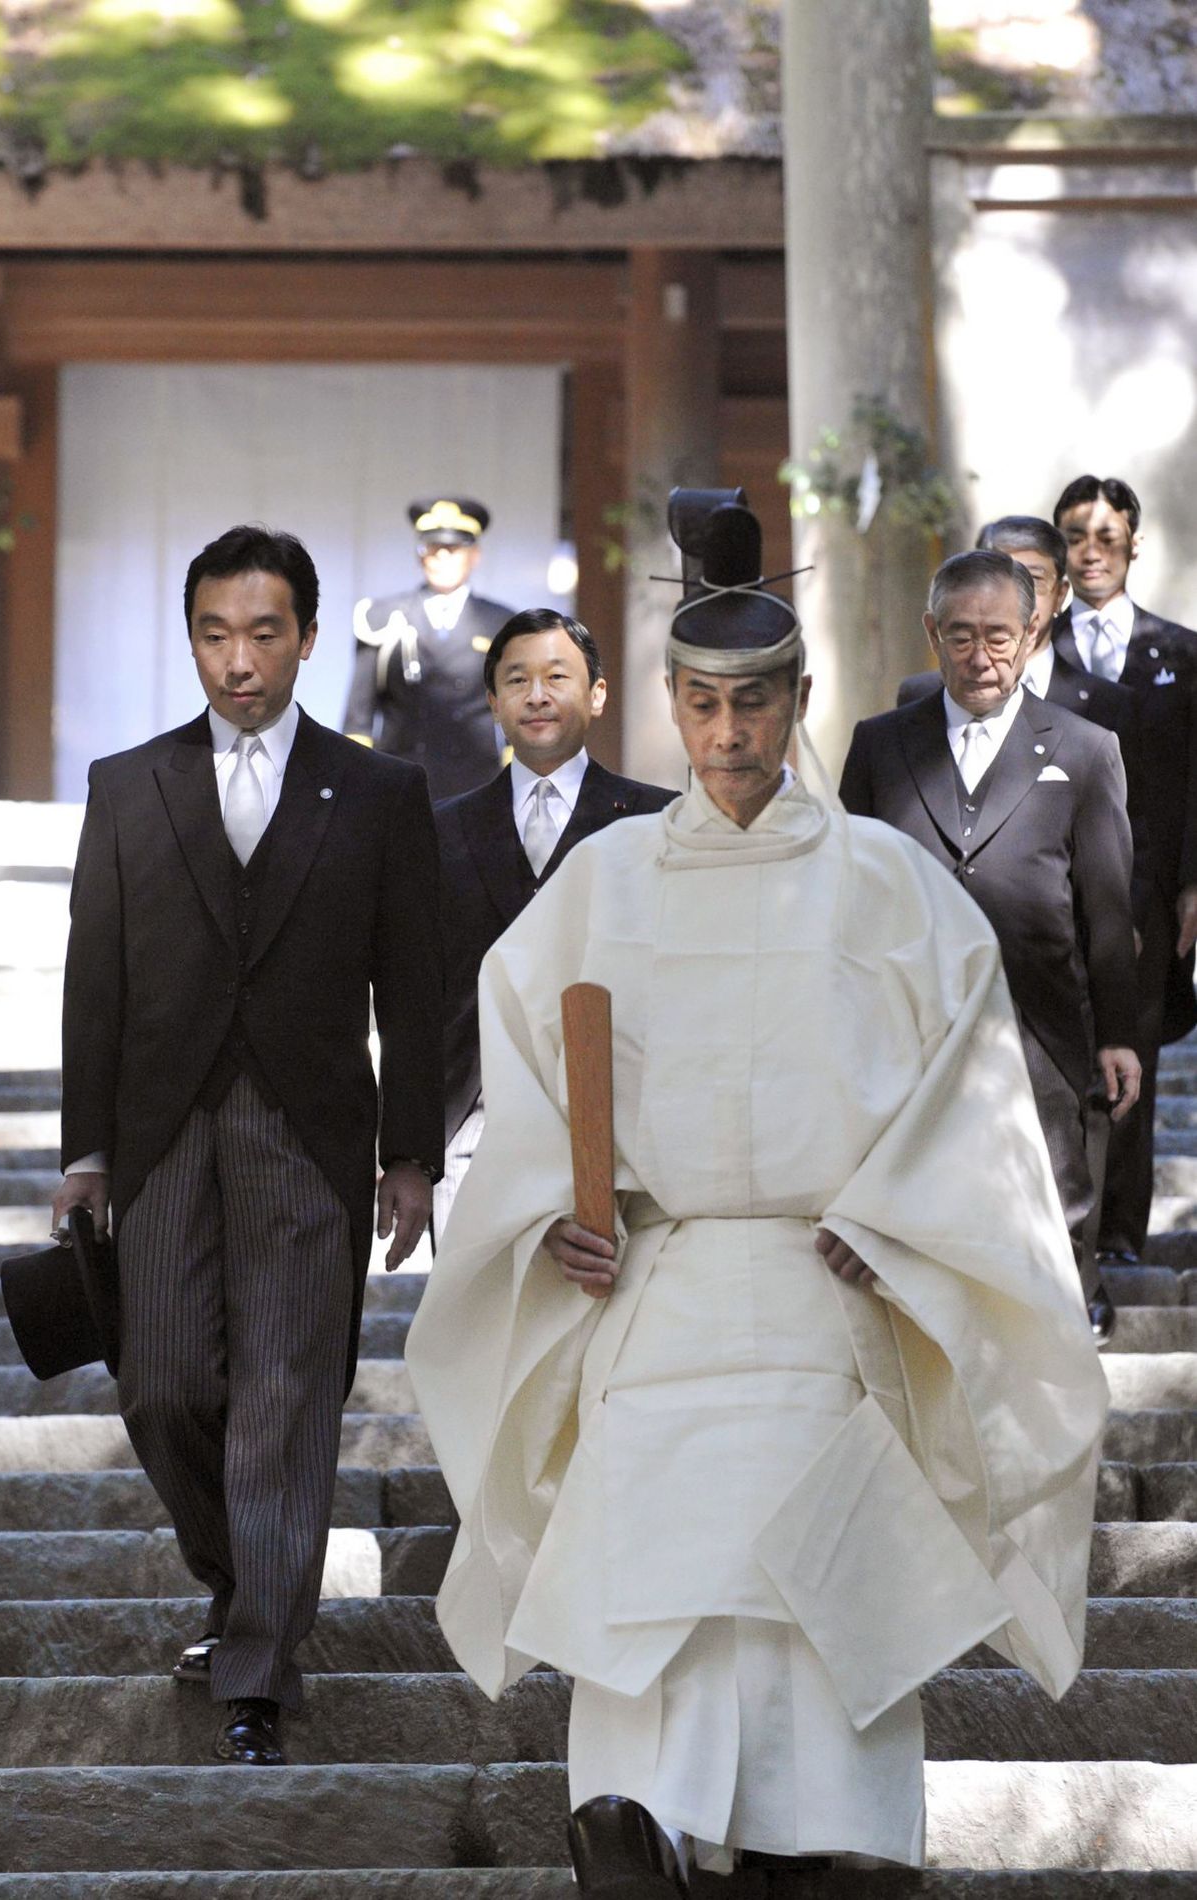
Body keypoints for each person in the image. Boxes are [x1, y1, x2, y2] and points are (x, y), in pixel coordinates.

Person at [407, 501, 1106, 1890]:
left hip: (824, 1300)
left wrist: (898, 1214)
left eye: (755, 703)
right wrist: (557, 1212)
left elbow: (970, 1081)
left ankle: (828, 1847)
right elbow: (524, 1073)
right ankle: (636, 1829)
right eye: (703, 703)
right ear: (670, 702)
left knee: (815, 1612)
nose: (728, 734)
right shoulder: (601, 883)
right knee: (649, 1602)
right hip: (654, 1297)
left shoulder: (888, 884)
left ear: (799, 699)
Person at [52, 525, 443, 1768]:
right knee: (164, 1385)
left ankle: (260, 1665)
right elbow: (94, 981)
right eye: (215, 634)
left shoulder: (379, 793)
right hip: (161, 1128)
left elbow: (414, 987)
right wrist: (85, 1150)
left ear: (309, 639)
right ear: (191, 642)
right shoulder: (129, 785)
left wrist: (411, 1151)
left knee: (283, 1395)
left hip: (309, 1129)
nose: (239, 660)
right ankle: (238, 1582)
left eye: (264, 633)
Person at [841, 548, 1141, 1341]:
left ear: (1033, 631)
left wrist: (1117, 1034)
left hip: (1041, 1022)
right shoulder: (881, 745)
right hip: (910, 1024)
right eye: (962, 636)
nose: (981, 656)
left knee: (1053, 1207)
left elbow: (1108, 908)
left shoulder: (1084, 749)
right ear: (932, 633)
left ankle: (1062, 1340)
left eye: (999, 636)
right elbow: (849, 893)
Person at [433, 607, 676, 1237]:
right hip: (472, 1121)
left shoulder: (656, 822)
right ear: (493, 702)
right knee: (475, 1296)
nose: (536, 695)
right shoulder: (438, 830)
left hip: (617, 1118)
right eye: (516, 680)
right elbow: (416, 992)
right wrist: (405, 1146)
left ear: (597, 694)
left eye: (557, 677)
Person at [1050, 474, 1197, 1265]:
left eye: (1106, 537)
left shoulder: (1183, 653)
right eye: (1075, 537)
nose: (1090, 552)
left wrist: (1192, 884)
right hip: (1053, 885)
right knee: (1061, 1058)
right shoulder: (1033, 651)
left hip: (1148, 892)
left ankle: (1120, 1240)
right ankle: (1062, 1230)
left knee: (1134, 1055)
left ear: (1134, 544)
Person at [899, 514, 1150, 928]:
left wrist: (1135, 920)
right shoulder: (903, 717)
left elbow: (1128, 838)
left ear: (1058, 595)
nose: (981, 660)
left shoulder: (1097, 723)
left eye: (1030, 578)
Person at [342, 496, 515, 799]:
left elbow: (516, 707)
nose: (442, 557)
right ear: (419, 555)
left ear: (475, 555)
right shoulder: (381, 618)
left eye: (454, 548)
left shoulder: (501, 623)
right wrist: (357, 784)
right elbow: (359, 714)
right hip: (399, 782)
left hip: (477, 785)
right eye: (433, 547)